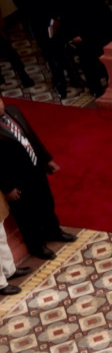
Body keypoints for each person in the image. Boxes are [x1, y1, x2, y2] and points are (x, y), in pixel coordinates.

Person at [0, 101, 74, 261]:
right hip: (17, 179)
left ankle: (54, 231)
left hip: (35, 166)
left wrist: (46, 158)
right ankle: (37, 246)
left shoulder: (13, 111)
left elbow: (31, 136)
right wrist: (7, 188)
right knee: (28, 214)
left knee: (46, 202)